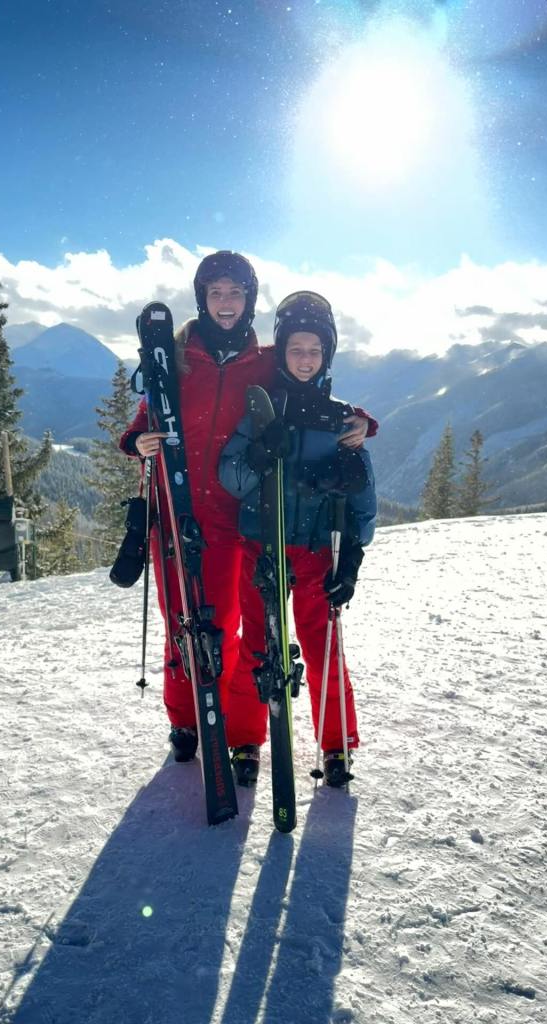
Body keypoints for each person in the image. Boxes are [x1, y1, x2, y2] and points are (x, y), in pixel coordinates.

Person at [120, 253, 376, 772]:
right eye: (216, 292)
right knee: (182, 624)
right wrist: (135, 440)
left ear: (250, 299)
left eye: (236, 292)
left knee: (230, 626)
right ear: (202, 298)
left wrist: (362, 424)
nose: (226, 303)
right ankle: (185, 719)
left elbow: (308, 395)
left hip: (240, 517)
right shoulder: (178, 355)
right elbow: (149, 415)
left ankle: (238, 730)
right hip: (180, 505)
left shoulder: (264, 359)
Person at [218, 291, 377, 788]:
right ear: (282, 352)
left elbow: (362, 501)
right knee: (258, 645)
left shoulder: (343, 421)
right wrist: (261, 457)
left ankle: (336, 745)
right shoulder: (262, 413)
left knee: (323, 643)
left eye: (314, 350)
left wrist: (351, 557)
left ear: (326, 355)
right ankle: (244, 738)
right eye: (295, 349)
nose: (305, 359)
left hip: (314, 553)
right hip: (261, 547)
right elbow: (230, 476)